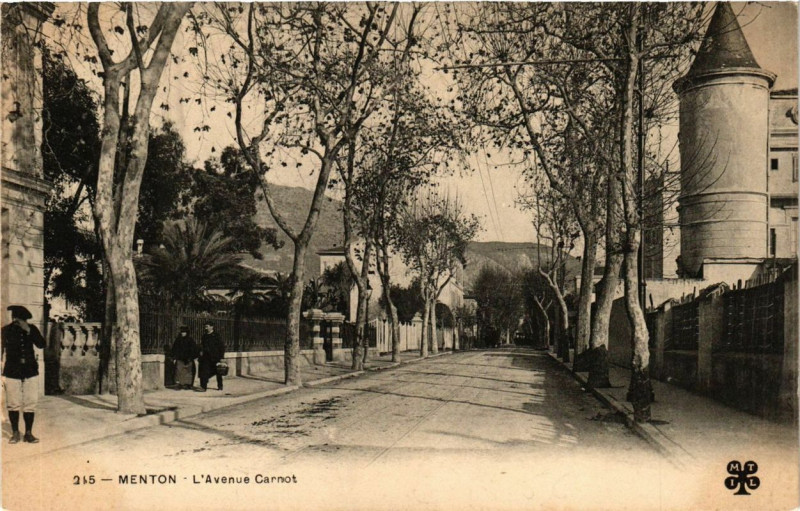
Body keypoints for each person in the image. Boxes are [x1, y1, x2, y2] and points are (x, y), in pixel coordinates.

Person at [1, 305, 45, 444]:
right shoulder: (5, 331)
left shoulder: (31, 329)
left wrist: (29, 331)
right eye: (16, 319)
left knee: (30, 402)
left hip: (30, 370)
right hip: (12, 370)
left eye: (21, 320)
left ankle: (28, 433)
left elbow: (42, 344)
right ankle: (15, 433)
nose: (18, 322)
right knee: (13, 403)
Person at [198, 321, 224, 392]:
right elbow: (202, 346)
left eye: (207, 326)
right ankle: (203, 387)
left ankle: (220, 386)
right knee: (204, 371)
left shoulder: (216, 336)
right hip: (206, 357)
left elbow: (221, 347)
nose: (206, 328)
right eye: (205, 326)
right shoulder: (204, 336)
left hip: (215, 357)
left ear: (212, 327)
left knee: (218, 372)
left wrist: (221, 357)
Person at [170, 326, 197, 390]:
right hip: (180, 358)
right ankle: (179, 384)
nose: (183, 333)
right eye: (182, 332)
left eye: (184, 332)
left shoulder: (190, 340)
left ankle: (187, 384)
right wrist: (174, 356)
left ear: (187, 332)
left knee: (188, 372)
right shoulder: (178, 340)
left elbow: (194, 349)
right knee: (179, 371)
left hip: (188, 359)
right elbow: (175, 348)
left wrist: (191, 357)